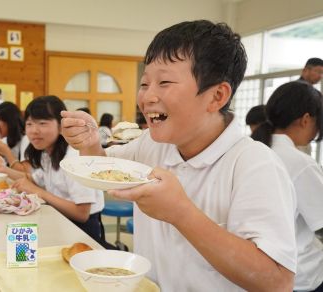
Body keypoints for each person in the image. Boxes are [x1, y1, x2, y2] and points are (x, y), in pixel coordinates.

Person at [61, 20, 296, 291]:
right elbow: (103, 168)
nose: (147, 96)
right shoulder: (152, 143)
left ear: (216, 96)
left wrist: (180, 213)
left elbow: (278, 282)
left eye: (164, 82)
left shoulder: (255, 165)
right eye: (145, 82)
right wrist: (89, 143)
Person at [0, 96, 108, 246]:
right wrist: (2, 169)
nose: (34, 131)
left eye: (42, 123)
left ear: (61, 126)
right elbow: (33, 179)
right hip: (60, 220)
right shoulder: (48, 152)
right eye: (29, 124)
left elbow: (82, 213)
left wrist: (38, 191)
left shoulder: (75, 156)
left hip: (82, 230)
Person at [251, 81, 323, 292]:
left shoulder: (251, 150)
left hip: (256, 270)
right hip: (301, 275)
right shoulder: (301, 164)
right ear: (306, 119)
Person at [0, 101, 28, 171]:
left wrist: (6, 151)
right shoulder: (10, 138)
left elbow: (24, 172)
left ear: (9, 121)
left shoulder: (26, 139)